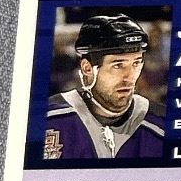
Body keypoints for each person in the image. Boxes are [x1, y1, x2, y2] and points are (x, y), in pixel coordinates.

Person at [43, 13, 165, 160]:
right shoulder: (48, 120)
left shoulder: (162, 124)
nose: (130, 77)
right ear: (87, 68)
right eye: (118, 65)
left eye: (136, 63)